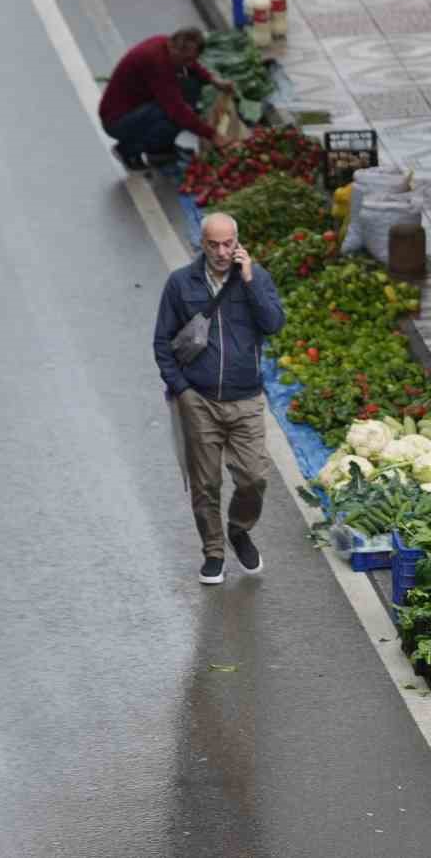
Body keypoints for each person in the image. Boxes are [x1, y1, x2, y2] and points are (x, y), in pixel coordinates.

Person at [153, 212, 285, 584]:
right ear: (202, 243)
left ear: (238, 242)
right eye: (214, 244)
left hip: (245, 399)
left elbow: (274, 323)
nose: (222, 251)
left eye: (229, 244)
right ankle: (213, 552)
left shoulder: (255, 279)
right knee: (205, 482)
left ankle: (239, 529)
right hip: (200, 400)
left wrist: (250, 281)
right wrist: (182, 389)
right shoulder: (181, 284)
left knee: (254, 476)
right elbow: (162, 342)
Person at [100, 27, 239, 171]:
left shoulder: (165, 45)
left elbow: (193, 67)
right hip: (118, 120)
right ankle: (127, 150)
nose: (189, 64)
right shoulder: (157, 62)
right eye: (186, 59)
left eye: (192, 59)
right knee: (168, 112)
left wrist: (213, 80)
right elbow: (177, 109)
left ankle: (160, 149)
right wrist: (213, 135)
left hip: (138, 106)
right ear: (173, 48)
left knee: (190, 85)